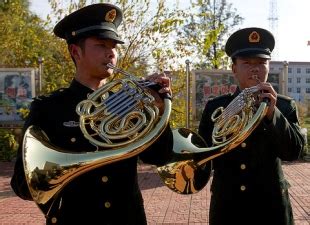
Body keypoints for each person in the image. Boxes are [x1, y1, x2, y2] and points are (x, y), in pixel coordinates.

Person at [10, 3, 173, 225]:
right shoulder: (48, 108)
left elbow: (159, 157)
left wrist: (161, 109)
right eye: (101, 45)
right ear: (76, 51)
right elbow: (22, 184)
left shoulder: (130, 103)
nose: (111, 53)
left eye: (114, 47)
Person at [198, 27, 305, 225]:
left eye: (262, 62)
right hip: (228, 206)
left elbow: (293, 152)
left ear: (268, 66)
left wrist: (272, 114)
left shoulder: (283, 105)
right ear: (234, 69)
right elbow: (203, 157)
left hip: (271, 207)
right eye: (247, 63)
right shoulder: (217, 107)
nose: (255, 68)